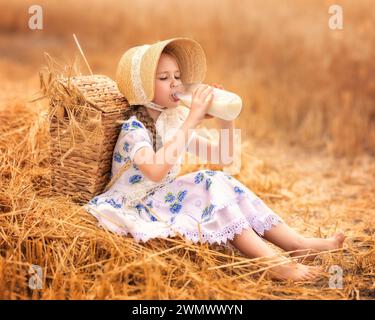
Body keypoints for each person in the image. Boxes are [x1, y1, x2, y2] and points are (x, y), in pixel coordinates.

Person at [84, 37, 345, 281]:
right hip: (137, 206)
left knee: (219, 179)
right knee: (207, 181)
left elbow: (224, 157)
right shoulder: (133, 130)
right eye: (164, 78)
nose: (175, 83)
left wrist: (225, 116)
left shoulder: (172, 123)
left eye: (177, 76)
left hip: (162, 199)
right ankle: (273, 265)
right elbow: (154, 171)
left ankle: (296, 244)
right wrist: (192, 119)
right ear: (142, 90)